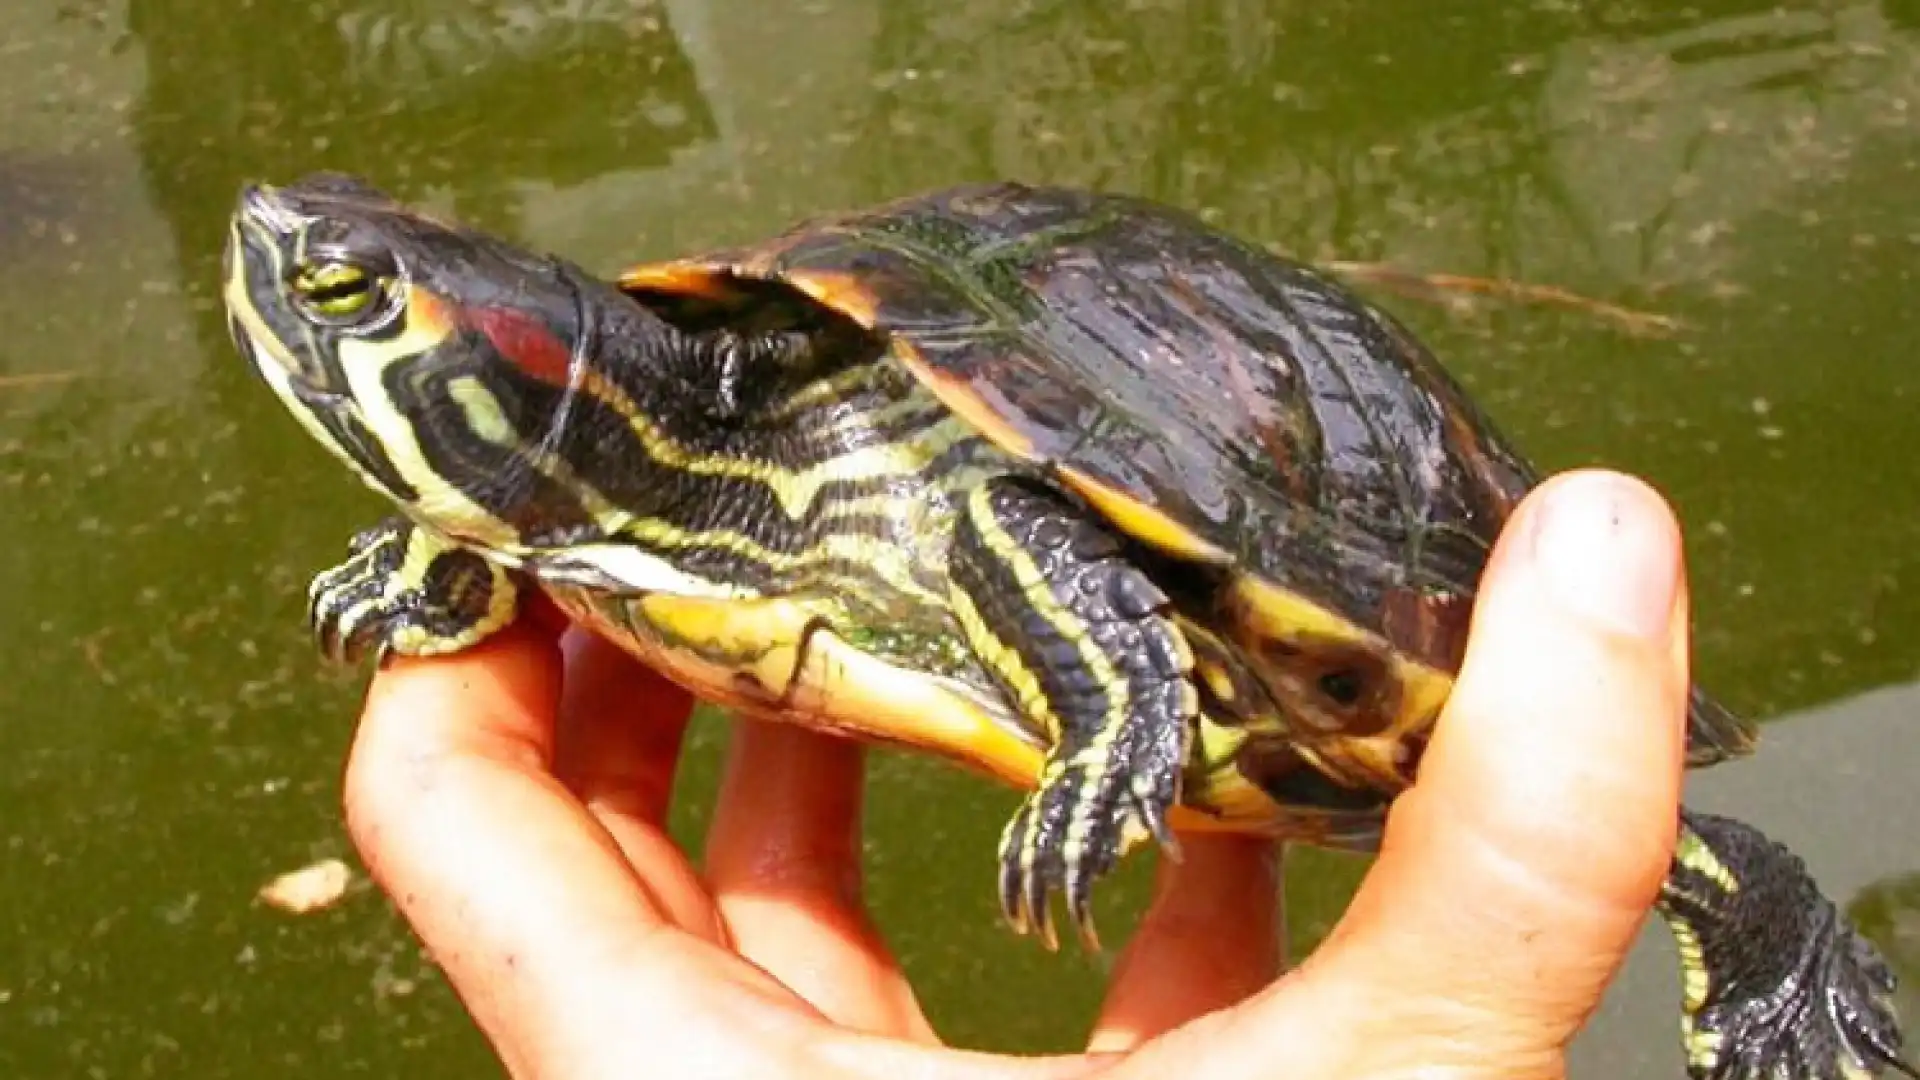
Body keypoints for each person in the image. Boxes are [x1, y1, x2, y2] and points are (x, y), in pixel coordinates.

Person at [341, 468, 1693, 1080]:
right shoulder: (647, 492)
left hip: (1257, 624)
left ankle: (1768, 934)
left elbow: (1004, 494)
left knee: (1685, 848)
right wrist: (447, 548)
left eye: (348, 299)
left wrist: (1113, 720)